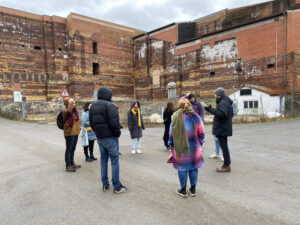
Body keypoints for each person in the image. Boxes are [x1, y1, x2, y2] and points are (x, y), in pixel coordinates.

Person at [89, 87, 129, 194]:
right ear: (108, 95)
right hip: (110, 138)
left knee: (103, 161)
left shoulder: (93, 106)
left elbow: (92, 123)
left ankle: (105, 184)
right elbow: (114, 123)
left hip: (100, 138)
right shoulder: (110, 106)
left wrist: (98, 133)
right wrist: (117, 134)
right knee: (115, 161)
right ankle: (117, 186)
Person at [168, 98, 205, 197]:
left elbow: (171, 134)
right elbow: (201, 133)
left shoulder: (175, 117)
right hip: (194, 146)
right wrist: (200, 142)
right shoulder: (196, 117)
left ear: (179, 106)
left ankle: (183, 190)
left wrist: (170, 143)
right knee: (193, 168)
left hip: (180, 148)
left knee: (182, 168)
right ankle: (193, 190)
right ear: (190, 105)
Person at [205, 87, 233, 172]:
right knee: (224, 147)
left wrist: (210, 109)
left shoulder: (223, 102)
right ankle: (226, 164)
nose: (215, 95)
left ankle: (226, 165)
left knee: (224, 148)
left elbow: (222, 114)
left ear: (219, 95)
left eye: (215, 94)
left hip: (222, 129)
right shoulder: (225, 102)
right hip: (223, 128)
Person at [62, 98, 81, 172]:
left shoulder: (74, 111)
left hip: (75, 132)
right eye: (71, 103)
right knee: (69, 149)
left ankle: (72, 163)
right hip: (69, 133)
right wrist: (71, 102)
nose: (73, 104)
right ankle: (68, 165)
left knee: (73, 149)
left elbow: (77, 121)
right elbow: (69, 110)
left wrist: (79, 128)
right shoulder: (65, 111)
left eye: (73, 102)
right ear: (67, 103)